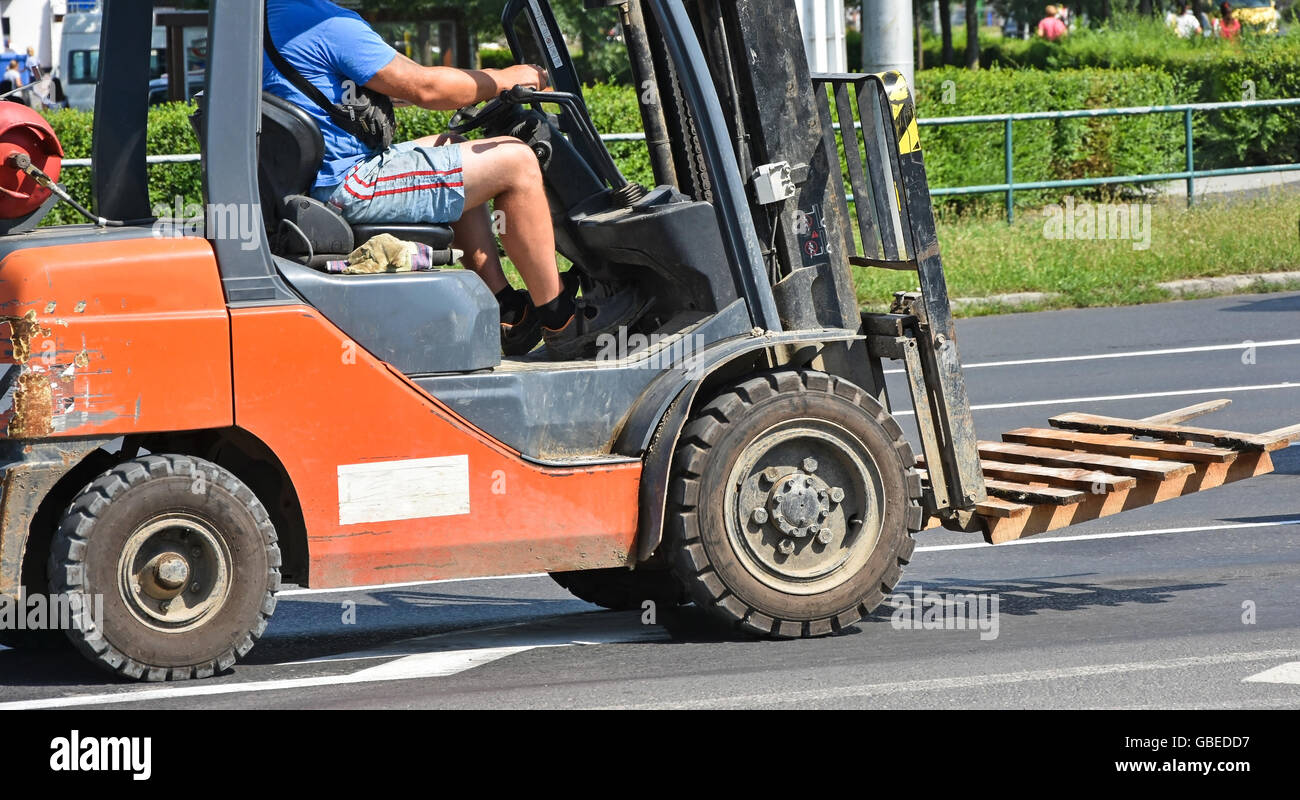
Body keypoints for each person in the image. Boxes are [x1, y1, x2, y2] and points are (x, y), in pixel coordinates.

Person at [263, 0, 641, 360]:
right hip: (348, 185)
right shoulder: (323, 23)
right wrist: (507, 78)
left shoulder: (269, 20)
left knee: (451, 145)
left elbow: (380, 87)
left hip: (316, 183)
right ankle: (563, 321)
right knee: (517, 162)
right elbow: (427, 88)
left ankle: (507, 310)